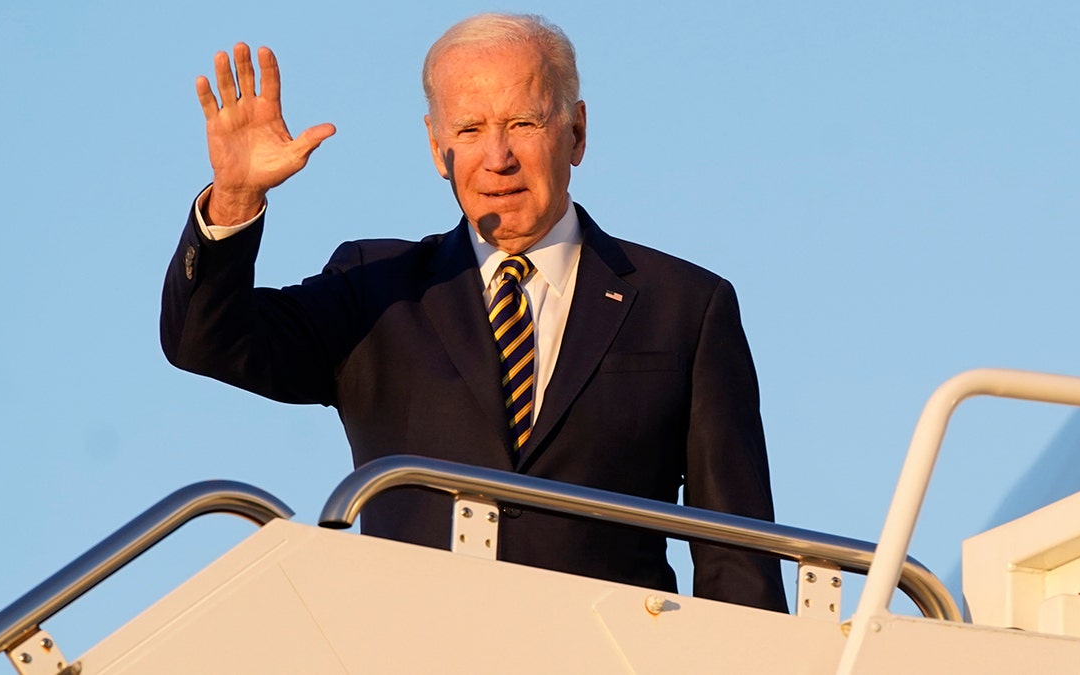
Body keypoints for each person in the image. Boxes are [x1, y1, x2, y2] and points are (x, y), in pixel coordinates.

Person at [161, 13, 786, 612]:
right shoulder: (373, 288)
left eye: (522, 123)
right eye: (468, 130)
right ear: (437, 148)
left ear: (576, 132)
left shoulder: (686, 306)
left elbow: (737, 551)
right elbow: (205, 341)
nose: (497, 157)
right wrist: (236, 199)